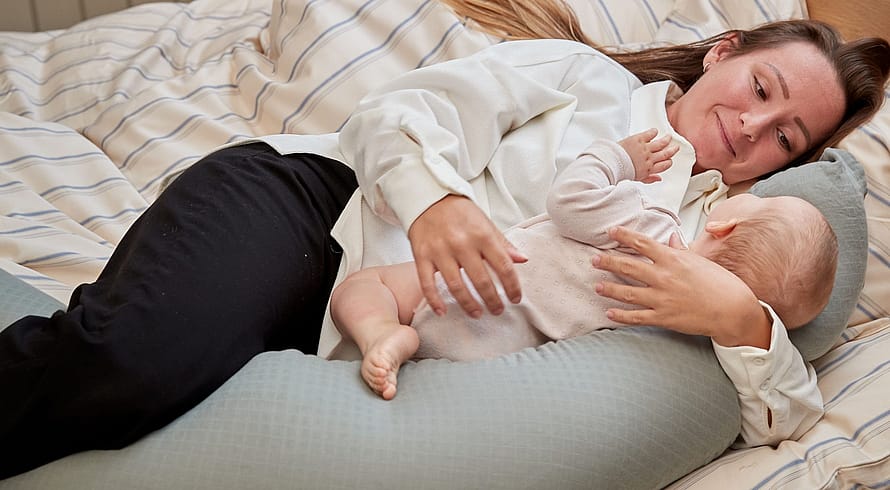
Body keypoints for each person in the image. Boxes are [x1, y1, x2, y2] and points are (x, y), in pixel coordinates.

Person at [1, 13, 888, 479]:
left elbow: (784, 418)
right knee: (133, 362)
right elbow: (397, 114)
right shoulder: (585, 81)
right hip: (319, 210)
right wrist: (436, 204)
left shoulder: (711, 237)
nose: (752, 127)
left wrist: (742, 319)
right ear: (723, 53)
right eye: (761, 87)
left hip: (384, 337)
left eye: (784, 137)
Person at [329, 128, 837, 448]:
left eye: (760, 200)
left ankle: (381, 332)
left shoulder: (651, 225)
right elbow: (788, 415)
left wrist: (618, 159)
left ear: (724, 224)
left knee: (366, 286)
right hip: (487, 366)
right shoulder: (694, 341)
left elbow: (568, 201)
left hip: (470, 289)